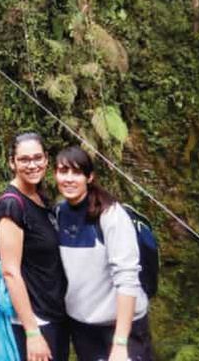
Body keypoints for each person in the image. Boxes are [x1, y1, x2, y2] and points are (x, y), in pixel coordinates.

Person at [53, 146, 153, 361]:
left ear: (90, 177)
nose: (69, 179)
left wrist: (120, 344)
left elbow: (127, 278)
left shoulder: (111, 216)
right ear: (55, 175)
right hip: (83, 328)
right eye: (63, 171)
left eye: (77, 172)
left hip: (120, 328)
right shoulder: (59, 213)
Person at [0, 132, 69, 361]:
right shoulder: (11, 206)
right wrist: (32, 332)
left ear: (46, 159)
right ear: (12, 162)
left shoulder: (39, 198)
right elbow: (10, 271)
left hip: (54, 314)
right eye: (24, 159)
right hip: (35, 321)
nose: (32, 165)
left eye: (37, 158)